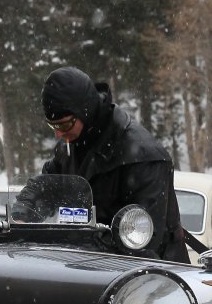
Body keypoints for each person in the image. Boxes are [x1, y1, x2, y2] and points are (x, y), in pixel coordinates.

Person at [14, 67, 187, 262]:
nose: (58, 134)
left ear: (84, 112)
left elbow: (143, 236)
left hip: (155, 269)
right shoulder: (71, 146)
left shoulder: (143, 156)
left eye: (64, 125)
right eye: (53, 126)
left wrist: (80, 241)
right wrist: (22, 215)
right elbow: (45, 186)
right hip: (87, 262)